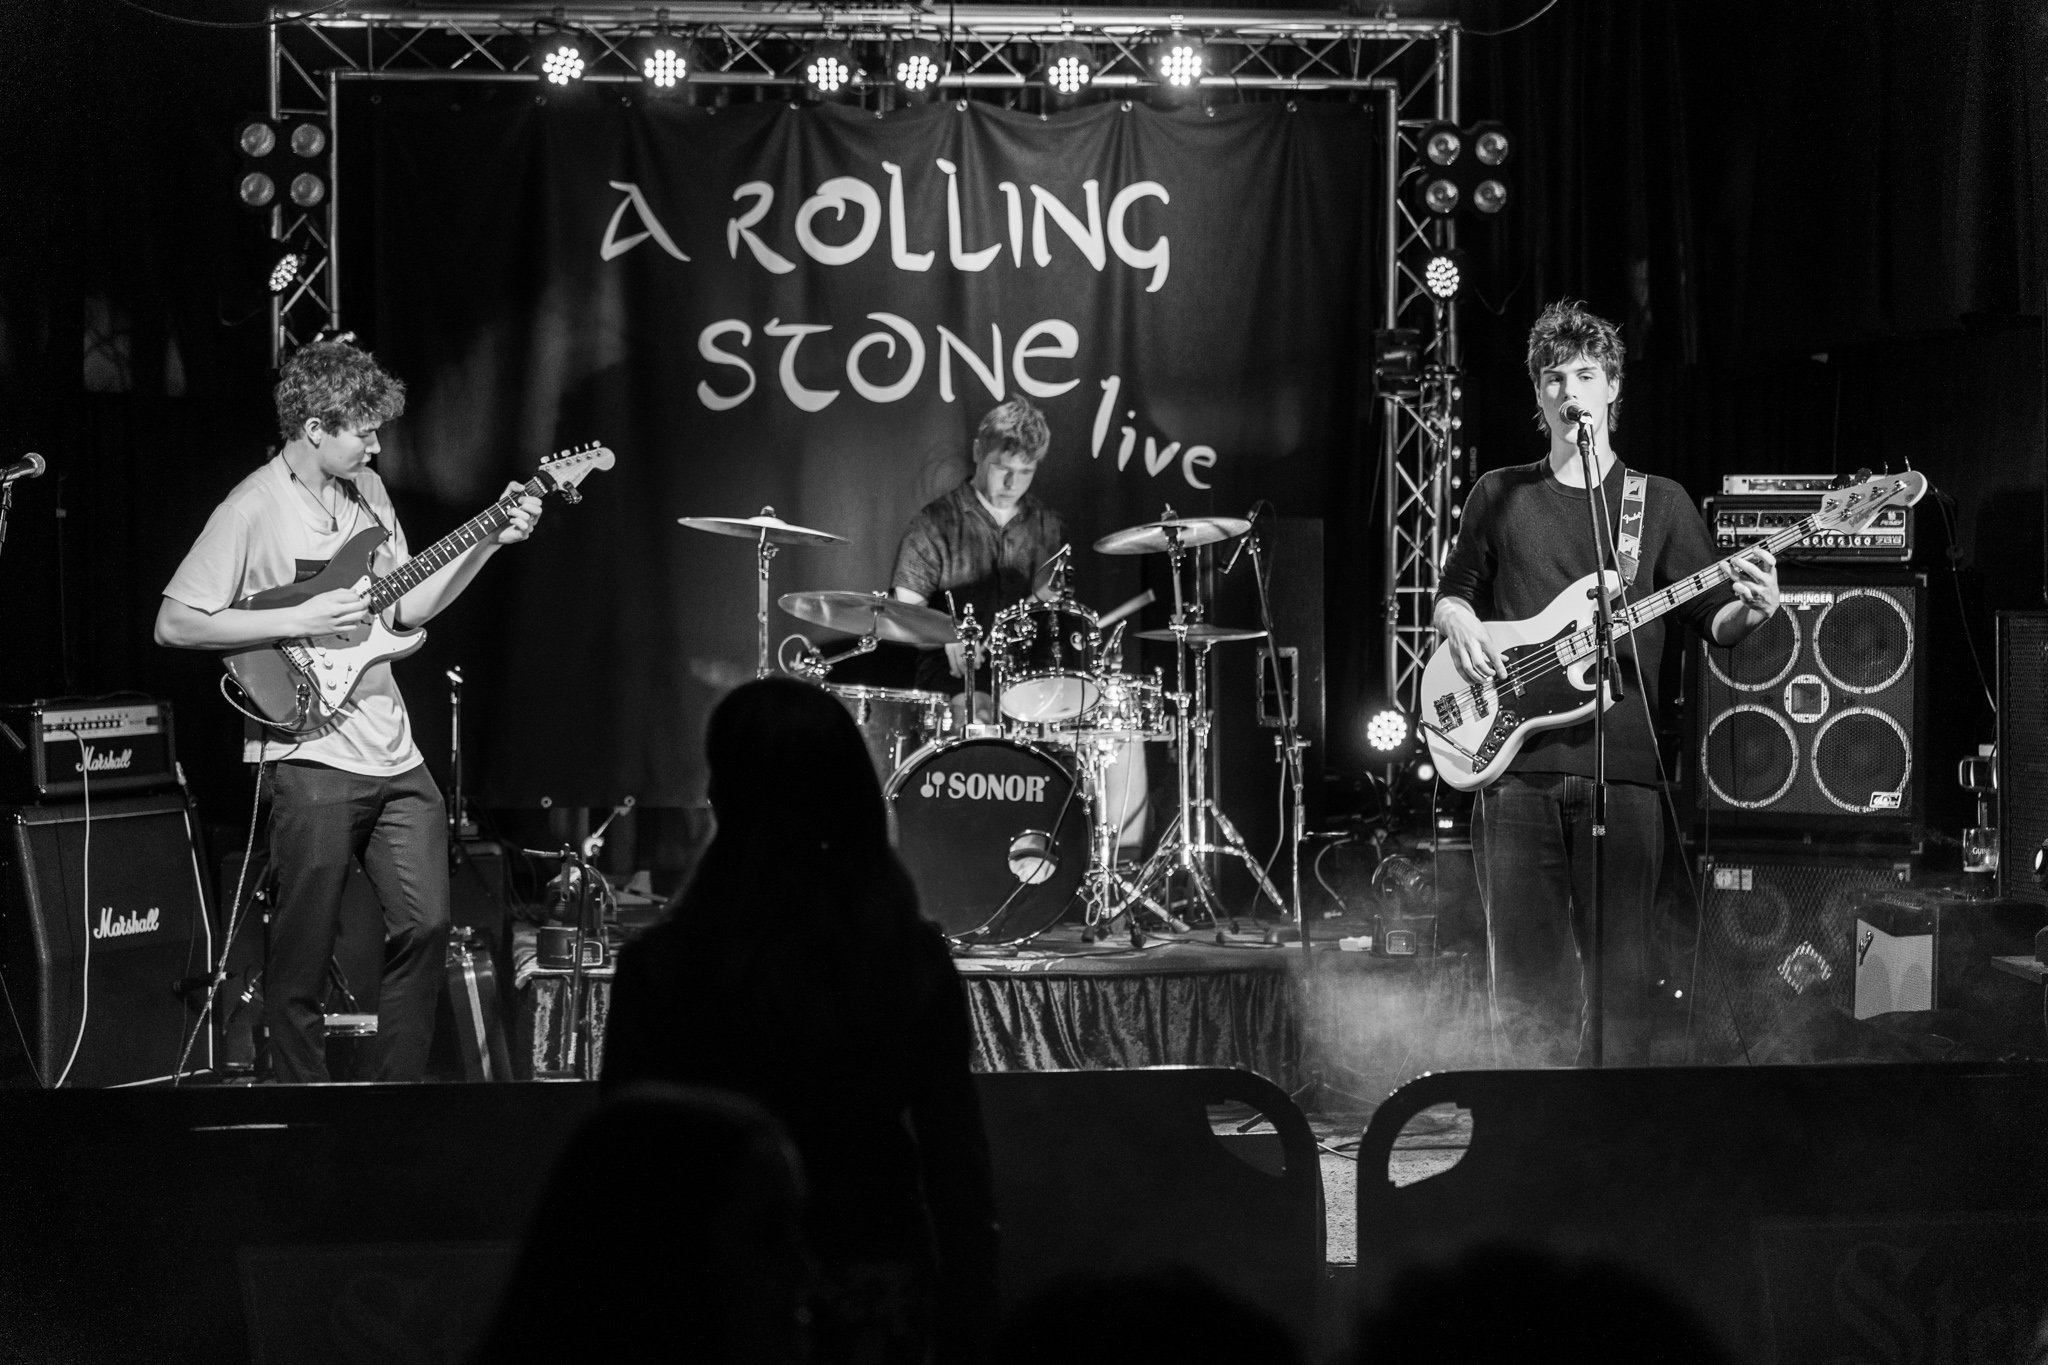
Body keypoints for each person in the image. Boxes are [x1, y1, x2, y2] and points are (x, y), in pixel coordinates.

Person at [155, 337, 541, 1082]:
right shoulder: (251, 507)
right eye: (363, 431)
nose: (376, 444)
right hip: (309, 754)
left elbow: (407, 607)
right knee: (302, 955)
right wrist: (296, 618)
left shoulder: (368, 492)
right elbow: (175, 622)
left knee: (427, 925)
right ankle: (306, 1115)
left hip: (394, 752)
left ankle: (391, 1106)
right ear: (313, 428)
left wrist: (489, 539)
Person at [601, 676, 1000, 1365]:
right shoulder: (908, 957)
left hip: (709, 1290)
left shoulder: (662, 966)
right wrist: (972, 1320)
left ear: (721, 795)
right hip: (872, 1280)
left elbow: (624, 1174)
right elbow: (956, 1164)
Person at [1432, 300, 1780, 1067]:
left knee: (1622, 983)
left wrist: (1754, 609)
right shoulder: (1499, 493)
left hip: (1622, 774)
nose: (1569, 391)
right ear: (1538, 393)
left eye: (1585, 374)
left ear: (1613, 387)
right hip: (1514, 769)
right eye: (1554, 377)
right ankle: (1530, 1125)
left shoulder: (1659, 502)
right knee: (1524, 986)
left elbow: (1713, 620)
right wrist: (1456, 620)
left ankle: (1611, 1128)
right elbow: (1454, 594)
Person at [892, 395, 1147, 853]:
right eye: (1001, 468)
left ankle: (1095, 857)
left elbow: (1050, 605)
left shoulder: (1049, 526)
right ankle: (971, 853)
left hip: (1033, 682)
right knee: (978, 715)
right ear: (977, 452)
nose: (1012, 482)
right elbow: (903, 609)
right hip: (954, 679)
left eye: (1025, 472)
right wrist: (946, 635)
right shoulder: (934, 523)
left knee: (1115, 725)